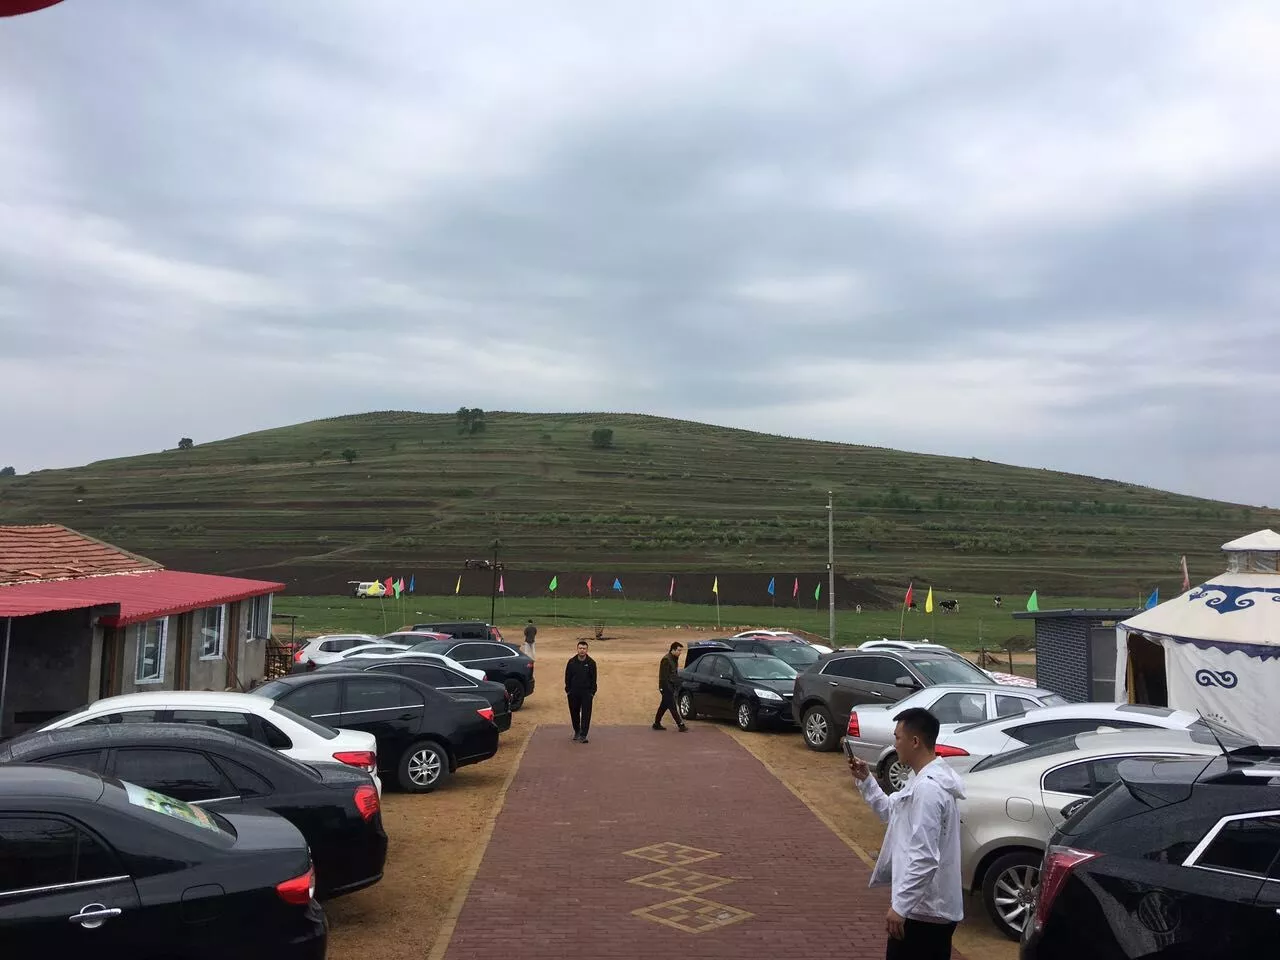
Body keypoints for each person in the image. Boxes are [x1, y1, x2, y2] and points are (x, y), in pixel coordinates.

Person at [847, 707, 964, 960]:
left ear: (915, 741)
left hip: (924, 914)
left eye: (898, 737)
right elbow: (893, 810)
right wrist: (867, 781)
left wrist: (900, 907)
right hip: (923, 908)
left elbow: (925, 857)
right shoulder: (920, 781)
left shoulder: (928, 790)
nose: (895, 744)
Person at [564, 640, 597, 743]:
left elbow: (594, 679)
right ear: (577, 649)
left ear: (587, 650)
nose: (582, 650)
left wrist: (592, 692)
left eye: (584, 648)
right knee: (574, 713)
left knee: (586, 714)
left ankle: (583, 735)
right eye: (580, 648)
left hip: (586, 693)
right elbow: (567, 677)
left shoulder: (591, 663)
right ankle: (577, 731)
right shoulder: (571, 662)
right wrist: (568, 690)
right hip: (573, 692)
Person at [653, 641, 688, 732]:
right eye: (678, 650)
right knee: (672, 706)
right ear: (673, 650)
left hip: (671, 687)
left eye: (681, 651)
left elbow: (673, 674)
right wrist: (667, 689)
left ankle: (656, 723)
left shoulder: (674, 659)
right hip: (666, 687)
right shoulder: (666, 660)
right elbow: (664, 677)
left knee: (664, 706)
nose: (680, 652)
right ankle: (681, 725)